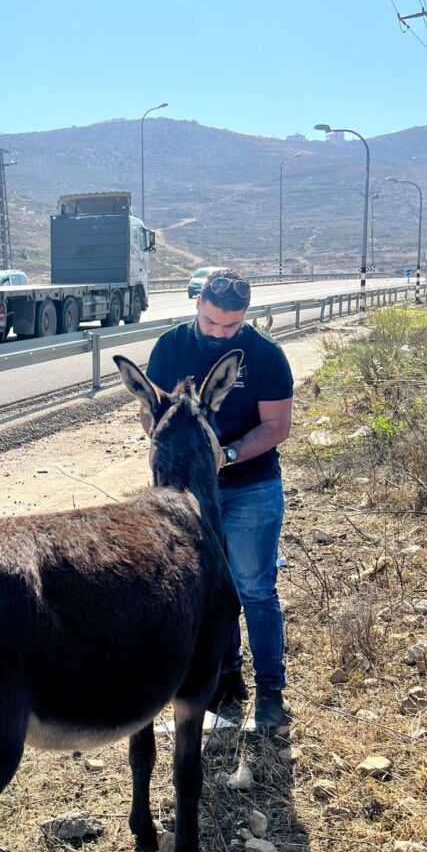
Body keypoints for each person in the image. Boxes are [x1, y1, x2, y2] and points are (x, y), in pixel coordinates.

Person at [144, 269, 293, 733]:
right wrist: (172, 448)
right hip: (186, 493)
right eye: (212, 322)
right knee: (203, 586)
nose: (220, 331)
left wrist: (222, 455)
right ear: (197, 305)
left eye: (232, 325)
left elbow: (276, 427)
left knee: (253, 587)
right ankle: (222, 680)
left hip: (249, 488)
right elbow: (150, 412)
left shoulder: (266, 356)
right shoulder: (169, 347)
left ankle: (270, 689)